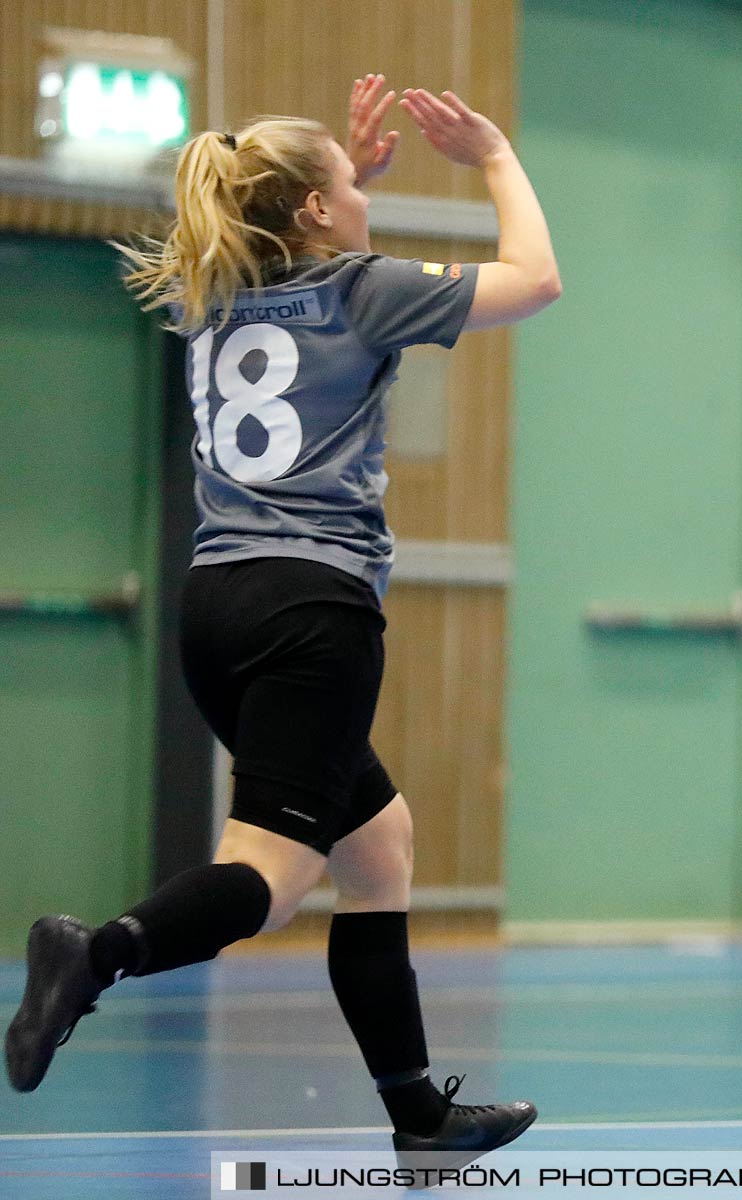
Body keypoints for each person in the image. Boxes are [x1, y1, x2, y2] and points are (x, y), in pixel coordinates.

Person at [4, 75, 560, 1171]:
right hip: (314, 611)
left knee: (377, 850)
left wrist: (342, 193)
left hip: (216, 606)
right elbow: (536, 280)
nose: (361, 197)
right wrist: (493, 154)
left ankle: (420, 1119)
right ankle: (97, 953)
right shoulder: (362, 289)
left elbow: (303, 276)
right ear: (313, 211)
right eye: (349, 187)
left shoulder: (210, 295)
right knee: (268, 876)